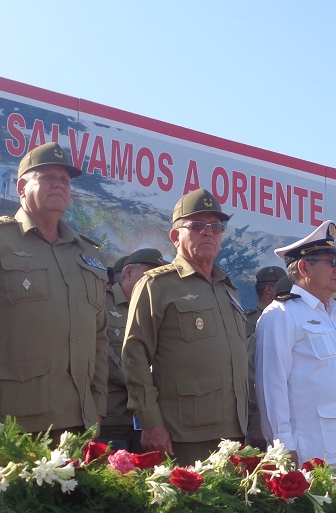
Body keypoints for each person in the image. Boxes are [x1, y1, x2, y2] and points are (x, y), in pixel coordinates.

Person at [0, 142, 109, 436]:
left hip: (79, 420)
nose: (59, 185)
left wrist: (97, 403)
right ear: (21, 186)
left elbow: (98, 336)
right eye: (48, 177)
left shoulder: (88, 254)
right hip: (12, 419)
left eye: (65, 180)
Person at [122, 189, 249, 466]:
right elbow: (135, 357)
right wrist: (150, 423)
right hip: (183, 436)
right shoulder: (157, 285)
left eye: (216, 227)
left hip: (235, 433)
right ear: (175, 236)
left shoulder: (228, 289)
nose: (208, 232)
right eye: (197, 225)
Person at [255, 221, 336, 468]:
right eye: (332, 262)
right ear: (304, 267)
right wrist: (282, 448)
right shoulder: (281, 314)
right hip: (318, 455)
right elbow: (271, 386)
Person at [101, 247, 168, 450]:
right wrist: (139, 378)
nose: (153, 283)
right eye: (149, 275)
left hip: (149, 419)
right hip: (113, 417)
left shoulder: (156, 311)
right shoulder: (103, 303)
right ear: (128, 273)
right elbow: (100, 351)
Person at [244, 266, 287, 337]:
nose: (290, 291)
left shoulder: (286, 314)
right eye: (284, 286)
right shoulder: (249, 322)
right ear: (269, 289)